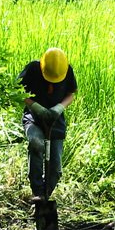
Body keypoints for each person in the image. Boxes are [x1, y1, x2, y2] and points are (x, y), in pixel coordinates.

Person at [18, 47, 77, 203]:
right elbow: (19, 91)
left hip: (55, 121)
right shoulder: (32, 69)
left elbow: (70, 95)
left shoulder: (66, 70)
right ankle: (37, 191)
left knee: (56, 167)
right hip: (34, 118)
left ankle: (45, 195)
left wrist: (59, 108)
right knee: (36, 145)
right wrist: (36, 107)